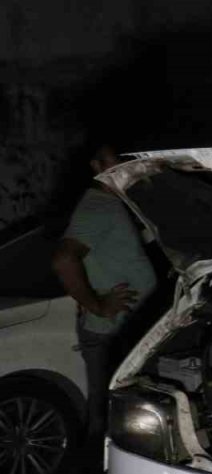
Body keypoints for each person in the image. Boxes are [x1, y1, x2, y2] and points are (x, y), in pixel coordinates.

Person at [51, 140, 158, 451]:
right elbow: (63, 260)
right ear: (97, 167)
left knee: (116, 409)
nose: (125, 165)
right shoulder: (97, 206)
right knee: (107, 412)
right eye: (115, 159)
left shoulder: (115, 204)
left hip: (127, 329)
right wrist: (97, 304)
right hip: (109, 332)